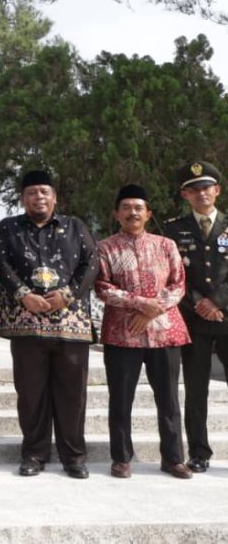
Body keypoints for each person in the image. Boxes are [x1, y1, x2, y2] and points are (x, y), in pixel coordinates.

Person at [0, 169, 96, 479]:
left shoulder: (75, 227)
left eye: (44, 192)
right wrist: (23, 294)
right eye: (32, 192)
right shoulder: (8, 228)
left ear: (55, 197)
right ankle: (34, 454)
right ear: (23, 198)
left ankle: (74, 456)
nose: (39, 197)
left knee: (72, 394)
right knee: (31, 393)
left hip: (70, 323)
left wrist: (67, 295)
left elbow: (91, 263)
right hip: (26, 323)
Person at [96, 183, 191, 479]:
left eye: (138, 208)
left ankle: (174, 458)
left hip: (164, 332)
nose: (132, 212)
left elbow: (178, 283)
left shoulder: (166, 245)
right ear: (116, 213)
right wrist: (140, 304)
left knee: (169, 399)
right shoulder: (105, 247)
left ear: (148, 214)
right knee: (121, 398)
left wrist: (153, 309)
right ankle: (122, 458)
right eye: (126, 207)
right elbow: (103, 286)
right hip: (122, 334)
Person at [163, 161, 228, 472]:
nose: (202, 193)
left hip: (226, 315)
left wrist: (216, 301)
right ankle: (199, 453)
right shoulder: (173, 229)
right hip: (194, 319)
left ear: (217, 190)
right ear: (185, 195)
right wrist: (199, 302)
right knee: (196, 389)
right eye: (194, 189)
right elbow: (173, 275)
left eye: (207, 187)